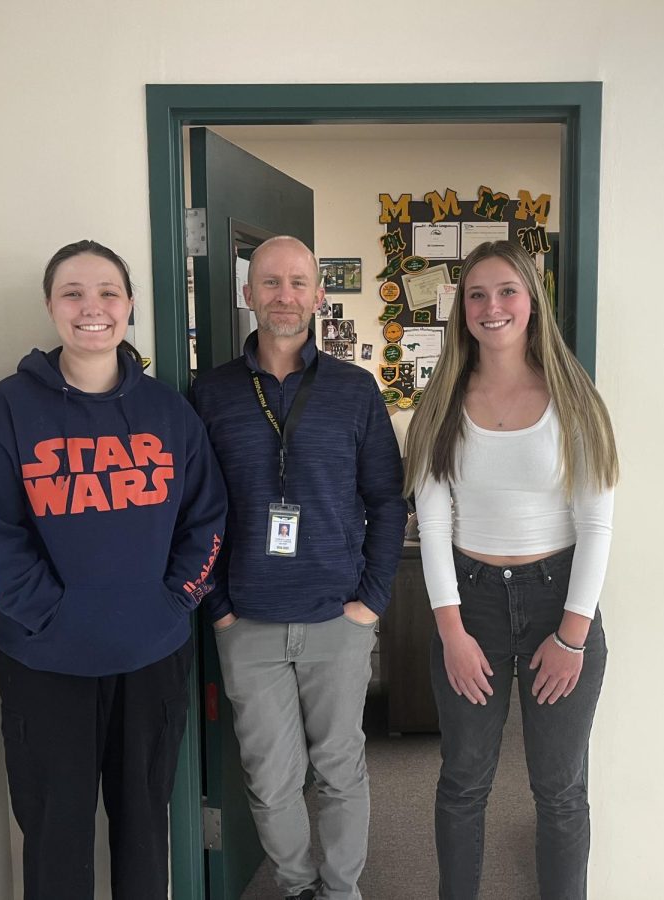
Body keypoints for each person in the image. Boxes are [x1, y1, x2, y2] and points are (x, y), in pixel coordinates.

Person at [0, 239, 226, 900]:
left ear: (129, 306)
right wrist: (51, 614)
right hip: (44, 663)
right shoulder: (9, 410)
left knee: (144, 830)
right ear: (51, 307)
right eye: (73, 293)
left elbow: (207, 517)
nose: (92, 308)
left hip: (152, 656)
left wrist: (173, 602)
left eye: (108, 292)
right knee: (57, 836)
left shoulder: (169, 413)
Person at [191, 235, 407, 900]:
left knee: (342, 771)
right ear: (248, 294)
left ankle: (340, 892)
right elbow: (194, 511)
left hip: (336, 617)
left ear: (318, 296)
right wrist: (219, 608)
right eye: (270, 282)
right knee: (270, 777)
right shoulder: (211, 393)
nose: (284, 295)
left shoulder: (354, 389)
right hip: (248, 620)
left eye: (297, 283)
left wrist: (370, 602)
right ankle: (296, 886)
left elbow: (386, 500)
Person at [403, 241, 618, 900]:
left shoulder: (573, 398)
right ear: (460, 310)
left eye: (506, 292)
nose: (491, 307)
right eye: (476, 294)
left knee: (558, 789)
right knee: (464, 781)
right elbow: (433, 525)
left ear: (532, 302)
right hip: (470, 606)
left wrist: (573, 637)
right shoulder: (440, 401)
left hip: (560, 603)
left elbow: (596, 525)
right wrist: (452, 633)